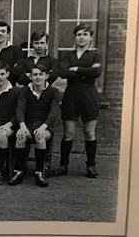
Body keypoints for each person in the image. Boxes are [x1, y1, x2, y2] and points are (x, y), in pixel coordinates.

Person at [52, 24, 103, 179]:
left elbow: (97, 72)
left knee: (89, 132)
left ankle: (91, 165)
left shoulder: (96, 55)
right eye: (79, 34)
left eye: (85, 34)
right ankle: (63, 165)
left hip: (89, 95)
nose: (81, 37)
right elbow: (62, 72)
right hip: (72, 95)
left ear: (90, 37)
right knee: (68, 133)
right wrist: (86, 72)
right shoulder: (68, 56)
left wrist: (76, 70)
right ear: (75, 37)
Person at [9, 64, 61, 187]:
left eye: (41, 74)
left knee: (40, 137)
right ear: (30, 76)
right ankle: (18, 171)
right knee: (20, 136)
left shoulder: (54, 92)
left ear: (46, 76)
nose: (38, 77)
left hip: (45, 126)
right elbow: (20, 110)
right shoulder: (25, 91)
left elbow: (53, 114)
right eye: (35, 75)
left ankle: (39, 172)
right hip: (27, 124)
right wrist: (22, 126)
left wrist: (43, 127)